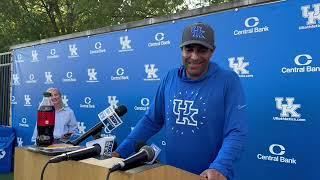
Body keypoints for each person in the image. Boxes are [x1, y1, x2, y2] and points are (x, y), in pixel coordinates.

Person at [113, 22, 248, 180]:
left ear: (212, 51)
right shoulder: (170, 77)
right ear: (181, 50)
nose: (194, 56)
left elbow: (236, 131)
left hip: (209, 176)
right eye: (189, 49)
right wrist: (120, 152)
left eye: (202, 50)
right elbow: (151, 121)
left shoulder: (228, 81)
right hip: (173, 173)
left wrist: (219, 167)